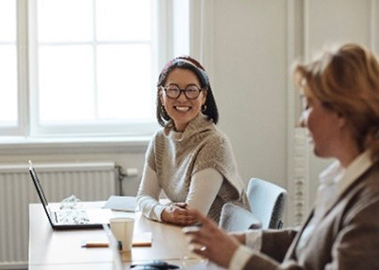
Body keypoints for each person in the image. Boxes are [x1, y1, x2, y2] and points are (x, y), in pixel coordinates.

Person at [183, 43, 379, 269]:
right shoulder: (342, 177)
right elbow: (310, 240)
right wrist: (243, 241)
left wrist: (237, 257)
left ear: (340, 112)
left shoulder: (372, 202)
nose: (302, 120)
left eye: (308, 105)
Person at [137, 56, 249, 226]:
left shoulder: (214, 143)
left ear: (203, 96)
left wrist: (162, 211)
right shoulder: (160, 140)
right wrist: (164, 212)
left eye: (191, 90)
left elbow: (192, 216)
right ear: (161, 95)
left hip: (222, 243)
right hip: (188, 237)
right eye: (173, 89)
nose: (182, 99)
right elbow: (144, 196)